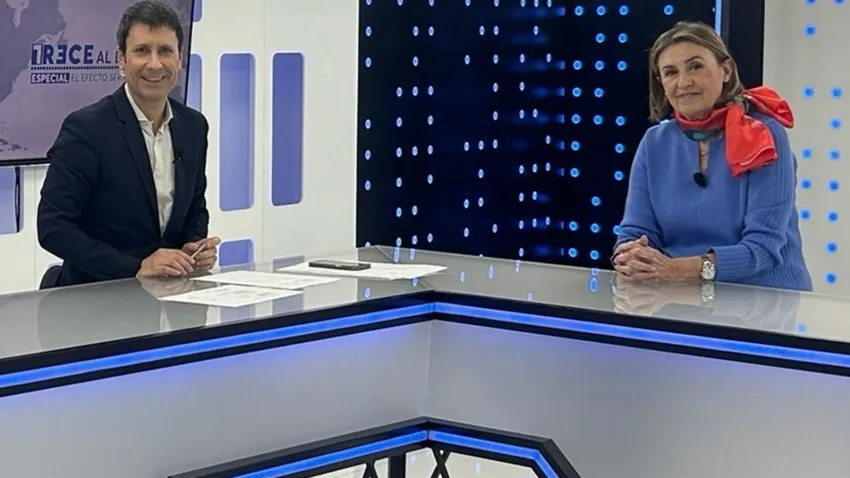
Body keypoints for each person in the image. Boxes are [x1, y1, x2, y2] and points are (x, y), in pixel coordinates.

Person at [612, 21, 812, 291]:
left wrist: (676, 269)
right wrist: (630, 256)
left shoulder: (762, 133)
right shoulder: (654, 142)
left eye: (695, 66)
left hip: (765, 298)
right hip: (678, 294)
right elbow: (636, 230)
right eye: (670, 73)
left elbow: (763, 248)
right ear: (662, 84)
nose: (684, 82)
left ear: (726, 70)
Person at [37, 0, 220, 287]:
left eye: (165, 51)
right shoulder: (87, 129)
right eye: (142, 50)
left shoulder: (193, 126)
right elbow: (53, 227)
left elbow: (195, 207)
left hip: (170, 294)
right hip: (97, 295)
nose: (155, 64)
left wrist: (192, 247)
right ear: (121, 60)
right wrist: (135, 267)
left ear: (180, 59)